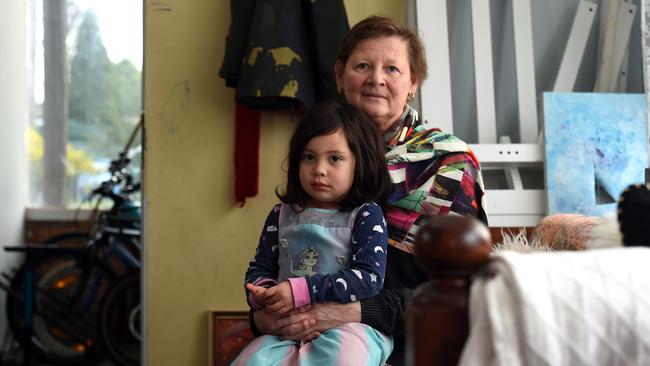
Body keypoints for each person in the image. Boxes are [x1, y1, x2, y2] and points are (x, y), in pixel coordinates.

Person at [249, 15, 488, 366]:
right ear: (340, 76)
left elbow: (466, 293)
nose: (376, 79)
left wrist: (358, 312)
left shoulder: (449, 164)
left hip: (412, 342)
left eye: (392, 69)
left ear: (413, 83)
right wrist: (260, 317)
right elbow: (285, 258)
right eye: (363, 66)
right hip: (300, 333)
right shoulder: (319, 158)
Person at [232, 101, 394, 365]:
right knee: (250, 361)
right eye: (309, 157)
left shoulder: (365, 214)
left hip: (349, 327)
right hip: (286, 328)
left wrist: (300, 290)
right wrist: (263, 293)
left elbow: (368, 278)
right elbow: (260, 267)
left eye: (335, 158)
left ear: (360, 162)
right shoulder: (280, 214)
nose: (319, 168)